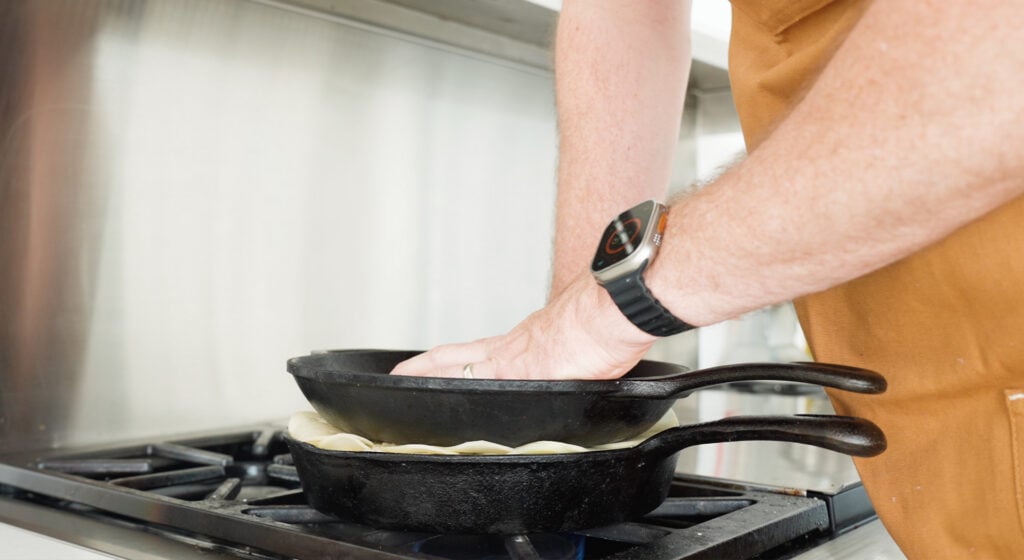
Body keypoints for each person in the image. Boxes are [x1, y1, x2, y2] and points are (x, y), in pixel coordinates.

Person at [393, 1, 1024, 557]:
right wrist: (571, 349)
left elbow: (995, 56)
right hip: (926, 400)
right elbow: (624, 13)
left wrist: (606, 313)